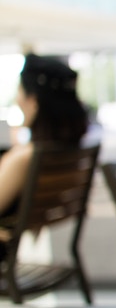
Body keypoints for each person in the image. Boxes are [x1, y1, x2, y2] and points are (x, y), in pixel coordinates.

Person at [0, 54, 90, 234]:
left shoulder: (24, 158)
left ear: (33, 102)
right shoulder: (68, 152)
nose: (17, 100)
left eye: (20, 91)